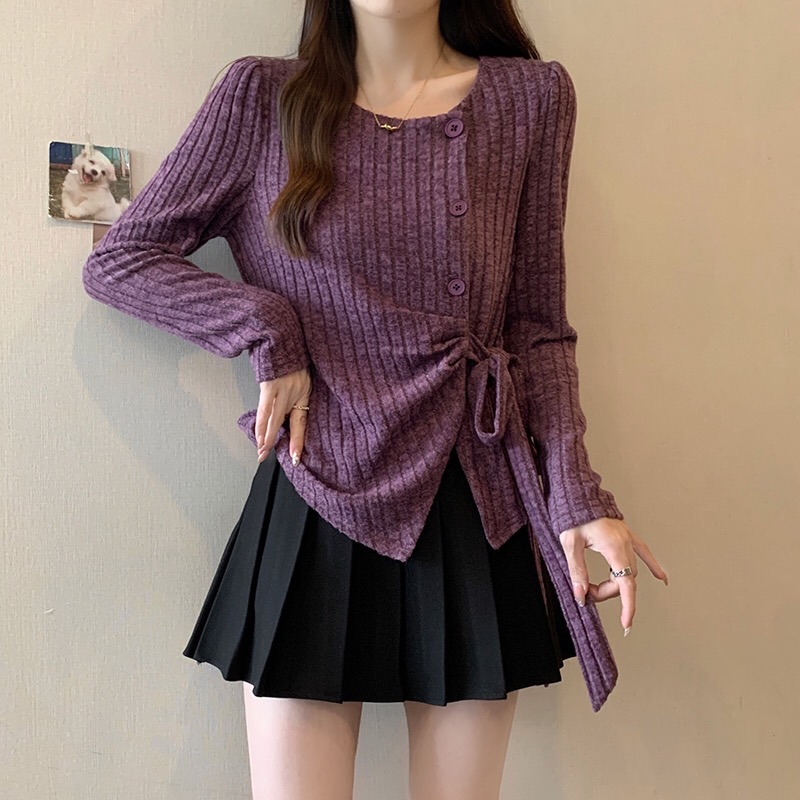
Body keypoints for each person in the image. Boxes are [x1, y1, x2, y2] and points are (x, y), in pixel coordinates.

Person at [82, 1, 669, 798]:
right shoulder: (261, 98)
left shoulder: (530, 99)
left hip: (474, 498)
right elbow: (122, 262)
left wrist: (576, 496)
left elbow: (537, 328)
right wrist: (266, 328)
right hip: (314, 487)